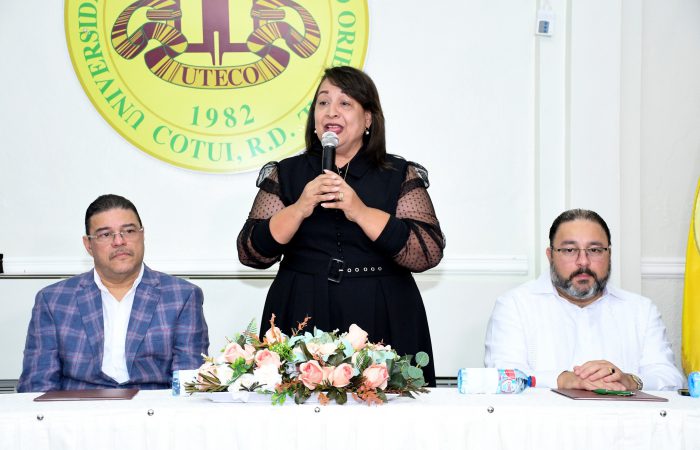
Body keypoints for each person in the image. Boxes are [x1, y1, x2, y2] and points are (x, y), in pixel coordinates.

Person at [237, 66, 445, 386]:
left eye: (345, 103)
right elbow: (251, 251)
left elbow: (426, 252)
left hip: (382, 308)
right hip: (302, 308)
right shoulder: (288, 173)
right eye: (323, 102)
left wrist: (360, 211)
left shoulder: (397, 174)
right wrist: (300, 207)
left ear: (368, 119)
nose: (331, 111)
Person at [17, 194, 209, 392]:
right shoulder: (53, 300)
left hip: (152, 407)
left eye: (129, 231)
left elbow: (188, 384)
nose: (119, 241)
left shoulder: (182, 297)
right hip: (78, 407)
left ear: (142, 235)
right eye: (105, 235)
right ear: (88, 245)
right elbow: (38, 385)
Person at [484, 208, 683, 391]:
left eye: (594, 250)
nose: (583, 262)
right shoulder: (514, 306)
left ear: (609, 254)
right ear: (550, 256)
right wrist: (563, 380)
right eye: (570, 250)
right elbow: (502, 375)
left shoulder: (641, 310)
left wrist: (631, 380)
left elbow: (670, 377)